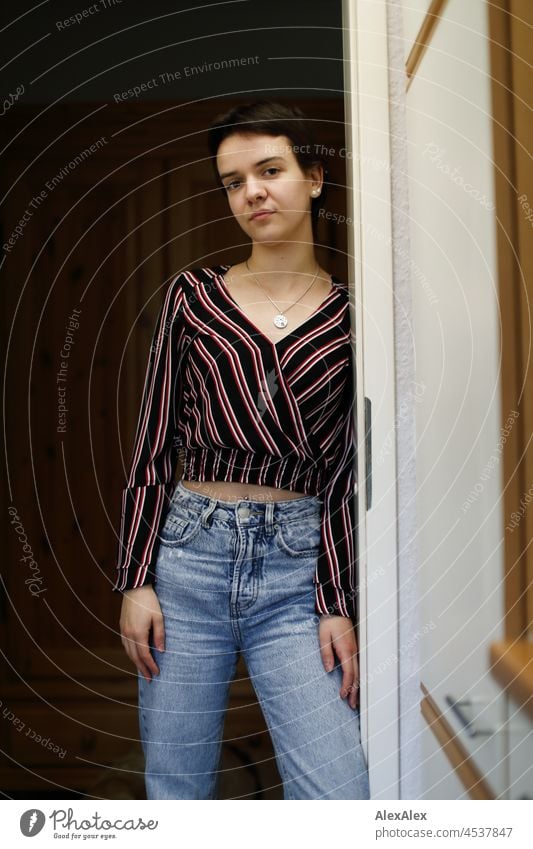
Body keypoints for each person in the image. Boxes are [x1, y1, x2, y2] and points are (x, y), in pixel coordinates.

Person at [114, 99, 370, 800]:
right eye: (233, 180)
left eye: (270, 170)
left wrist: (334, 599)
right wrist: (136, 578)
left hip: (294, 575)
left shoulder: (357, 314)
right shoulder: (191, 298)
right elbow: (154, 441)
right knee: (177, 790)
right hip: (187, 563)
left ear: (313, 177)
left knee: (340, 794)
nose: (252, 191)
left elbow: (347, 470)